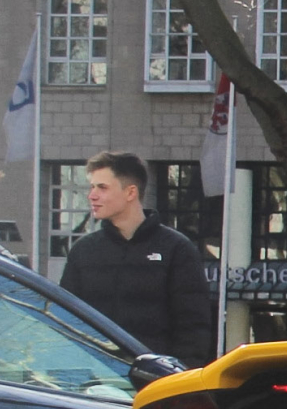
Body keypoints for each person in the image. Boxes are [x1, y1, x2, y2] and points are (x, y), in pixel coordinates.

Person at [57, 151, 215, 366]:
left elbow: (194, 327)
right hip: (95, 382)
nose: (92, 195)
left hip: (157, 383)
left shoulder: (177, 249)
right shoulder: (83, 251)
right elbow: (66, 320)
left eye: (102, 188)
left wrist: (178, 378)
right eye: (92, 187)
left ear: (131, 192)